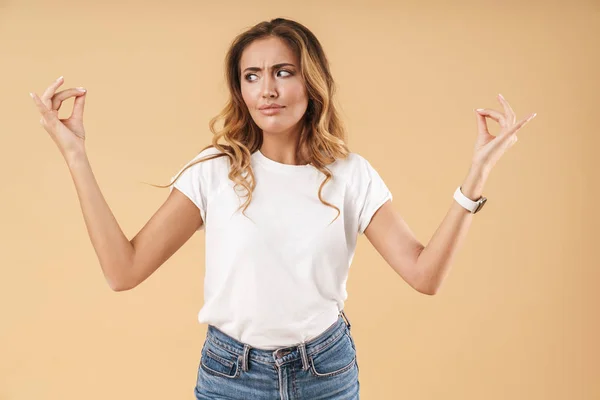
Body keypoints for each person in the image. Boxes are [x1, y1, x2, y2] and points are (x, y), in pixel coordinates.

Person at [30, 16, 536, 400]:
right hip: (231, 376)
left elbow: (424, 275)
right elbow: (124, 270)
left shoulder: (350, 174)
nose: (267, 89)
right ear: (240, 89)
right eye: (252, 76)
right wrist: (75, 154)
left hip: (327, 373)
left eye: (282, 72)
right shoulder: (215, 170)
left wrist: (476, 177)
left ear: (310, 82)